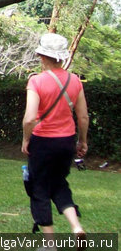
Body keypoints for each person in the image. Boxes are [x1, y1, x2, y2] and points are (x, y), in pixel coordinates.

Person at [22, 33, 88, 243]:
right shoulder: (75, 80)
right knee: (59, 183)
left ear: (42, 56)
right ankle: (76, 227)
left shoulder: (36, 81)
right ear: (61, 58)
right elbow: (83, 116)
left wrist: (25, 140)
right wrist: (82, 141)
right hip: (66, 141)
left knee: (39, 187)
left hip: (42, 141)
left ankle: (50, 244)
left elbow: (30, 118)